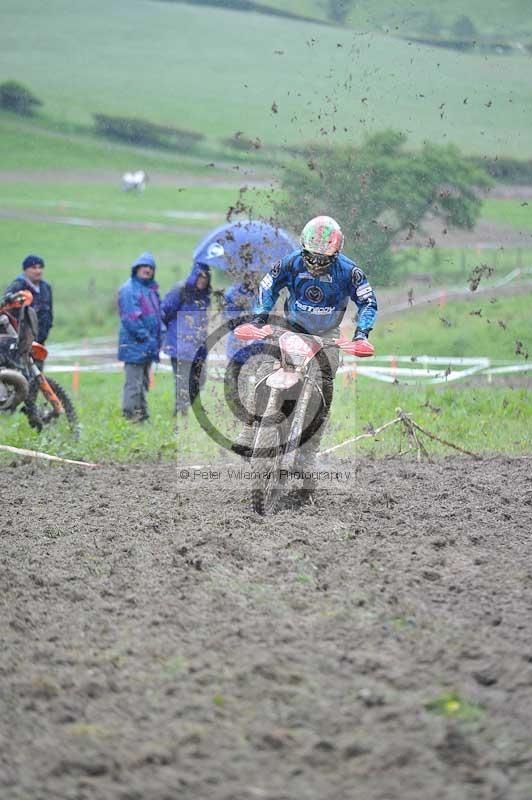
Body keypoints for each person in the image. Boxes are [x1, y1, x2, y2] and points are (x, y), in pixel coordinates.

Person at [233, 215, 378, 469]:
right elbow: (268, 286)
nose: (316, 263)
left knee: (324, 388)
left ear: (335, 254)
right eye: (312, 257)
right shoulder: (290, 263)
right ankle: (249, 428)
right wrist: (259, 320)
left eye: (323, 259)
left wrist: (361, 335)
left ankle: (307, 453)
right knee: (265, 368)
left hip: (327, 335)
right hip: (290, 329)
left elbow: (368, 301)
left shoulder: (349, 271)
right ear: (303, 248)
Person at [161, 264, 211, 419]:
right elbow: (164, 312)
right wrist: (176, 331)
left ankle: (190, 410)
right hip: (179, 345)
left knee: (200, 379)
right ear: (194, 276)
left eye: (206, 278)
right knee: (182, 381)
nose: (203, 280)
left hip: (198, 346)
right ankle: (181, 413)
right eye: (200, 277)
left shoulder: (204, 297)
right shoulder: (180, 291)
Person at [117, 252, 161, 422]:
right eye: (144, 266)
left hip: (148, 344)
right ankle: (130, 416)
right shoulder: (129, 289)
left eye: (151, 267)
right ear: (136, 269)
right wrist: (146, 337)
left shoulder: (150, 290)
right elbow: (131, 319)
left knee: (143, 382)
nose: (147, 270)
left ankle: (141, 415)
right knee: (133, 383)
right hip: (134, 344)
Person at [5, 254, 53, 345]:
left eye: (40, 267)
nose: (38, 271)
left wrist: (48, 325)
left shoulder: (46, 287)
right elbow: (6, 308)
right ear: (25, 270)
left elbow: (49, 312)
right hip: (20, 340)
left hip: (41, 337)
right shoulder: (17, 287)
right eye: (34, 268)